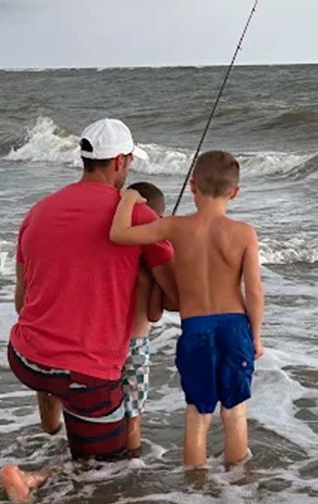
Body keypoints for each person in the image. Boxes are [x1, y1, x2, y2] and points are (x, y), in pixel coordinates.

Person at [0, 118, 178, 504]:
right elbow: (176, 297)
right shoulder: (139, 217)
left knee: (52, 354)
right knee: (106, 466)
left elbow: (22, 300)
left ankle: (51, 417)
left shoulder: (38, 212)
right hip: (84, 375)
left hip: (24, 357)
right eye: (129, 162)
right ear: (120, 162)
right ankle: (31, 479)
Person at [109, 150, 264, 469]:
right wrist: (257, 337)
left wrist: (129, 199)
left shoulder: (175, 227)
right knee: (234, 411)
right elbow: (254, 292)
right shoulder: (244, 233)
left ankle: (194, 487)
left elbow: (119, 234)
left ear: (192, 186)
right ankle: (238, 485)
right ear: (235, 192)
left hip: (195, 329)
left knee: (197, 414)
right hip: (235, 327)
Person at [121, 181, 170, 459]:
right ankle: (132, 459)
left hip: (103, 345)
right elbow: (153, 314)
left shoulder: (115, 258)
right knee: (133, 413)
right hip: (136, 346)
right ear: (159, 218)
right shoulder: (149, 269)